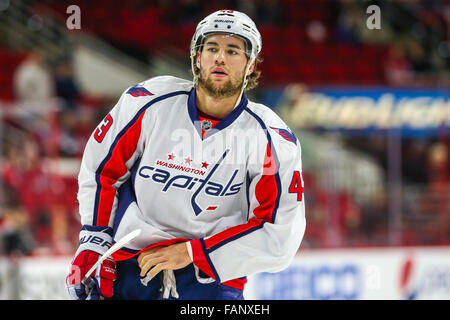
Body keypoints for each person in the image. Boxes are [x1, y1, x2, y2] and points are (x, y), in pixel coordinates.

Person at [66, 9, 306, 300]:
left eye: (233, 51)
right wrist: (93, 239)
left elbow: (279, 236)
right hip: (127, 266)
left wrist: (192, 252)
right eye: (212, 48)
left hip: (210, 281)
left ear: (251, 64)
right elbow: (101, 170)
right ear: (196, 56)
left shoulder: (272, 139)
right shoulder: (148, 102)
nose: (220, 57)